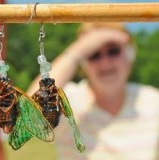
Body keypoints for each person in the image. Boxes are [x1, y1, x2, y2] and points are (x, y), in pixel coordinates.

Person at [27, 23, 159, 160]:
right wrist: (77, 51)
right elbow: (31, 115)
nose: (105, 63)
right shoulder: (70, 101)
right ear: (83, 63)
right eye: (93, 54)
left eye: (113, 51)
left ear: (130, 55)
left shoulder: (154, 101)